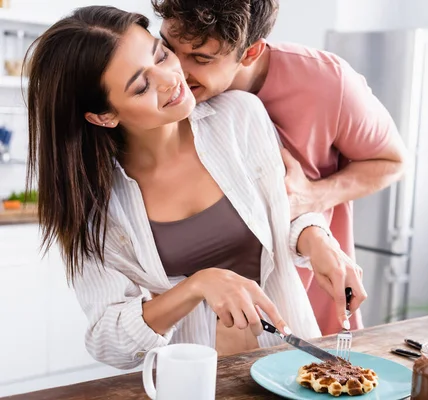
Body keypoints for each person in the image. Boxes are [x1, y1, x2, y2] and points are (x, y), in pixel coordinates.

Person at [26, 5, 361, 369]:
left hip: (293, 365)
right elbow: (110, 341)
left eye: (161, 54)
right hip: (188, 382)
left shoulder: (240, 116)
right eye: (141, 86)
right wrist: (197, 286)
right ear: (104, 115)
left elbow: (283, 212)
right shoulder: (94, 206)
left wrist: (317, 240)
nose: (172, 78)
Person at [152, 0, 409, 335]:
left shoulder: (328, 83)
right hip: (205, 319)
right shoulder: (163, 95)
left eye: (201, 58)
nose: (177, 73)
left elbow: (392, 161)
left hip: (308, 301)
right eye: (169, 49)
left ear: (250, 52)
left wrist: (314, 195)